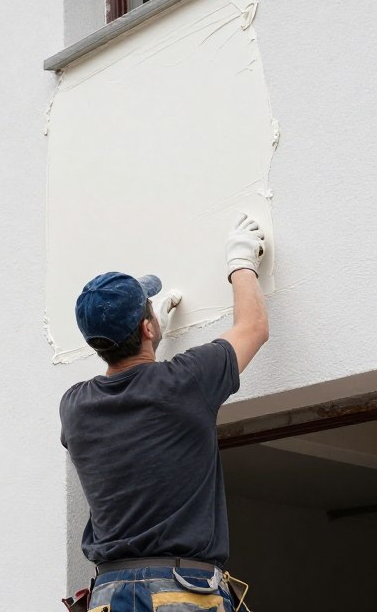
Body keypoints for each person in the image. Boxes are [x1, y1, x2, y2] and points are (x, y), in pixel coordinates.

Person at [59, 215, 268, 612]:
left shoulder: (74, 407)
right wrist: (241, 259)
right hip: (181, 591)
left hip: (110, 593)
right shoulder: (186, 382)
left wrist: (147, 346)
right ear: (147, 327)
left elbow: (126, 397)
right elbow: (254, 327)